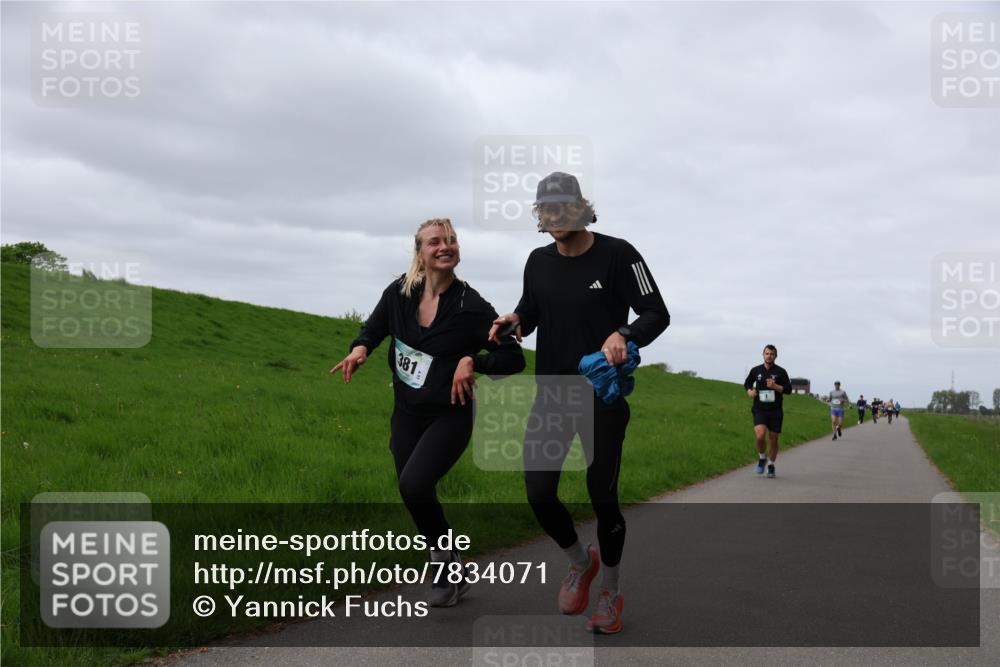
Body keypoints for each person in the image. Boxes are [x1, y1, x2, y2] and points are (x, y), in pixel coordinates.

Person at [488, 171, 669, 635]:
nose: (554, 215)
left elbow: (656, 312)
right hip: (552, 393)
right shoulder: (537, 260)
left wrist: (623, 333)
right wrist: (516, 318)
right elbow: (532, 307)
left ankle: (609, 590)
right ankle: (579, 560)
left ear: (581, 207)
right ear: (540, 216)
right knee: (539, 492)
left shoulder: (618, 254)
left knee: (602, 495)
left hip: (601, 395)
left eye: (563, 206)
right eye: (546, 209)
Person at [332, 218, 525, 608]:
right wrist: (360, 349)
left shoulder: (472, 306)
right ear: (419, 252)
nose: (445, 247)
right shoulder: (399, 293)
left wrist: (474, 361)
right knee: (415, 490)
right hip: (407, 411)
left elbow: (513, 358)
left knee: (414, 485)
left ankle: (443, 567)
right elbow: (374, 328)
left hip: (450, 414)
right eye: (435, 242)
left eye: (451, 241)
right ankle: (452, 563)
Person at [743, 345, 793, 478]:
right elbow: (747, 383)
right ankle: (762, 457)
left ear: (775, 356)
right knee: (760, 435)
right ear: (763, 355)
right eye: (767, 353)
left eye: (772, 354)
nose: (769, 356)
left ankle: (771, 465)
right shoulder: (756, 370)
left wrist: (775, 386)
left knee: (774, 439)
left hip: (775, 410)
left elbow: (788, 389)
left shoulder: (781, 372)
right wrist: (750, 391)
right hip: (760, 409)